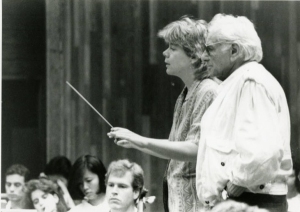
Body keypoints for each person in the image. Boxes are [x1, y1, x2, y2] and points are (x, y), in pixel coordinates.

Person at [107, 16, 219, 212]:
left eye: (173, 48)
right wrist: (134, 142)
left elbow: (196, 149)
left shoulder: (208, 91)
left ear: (193, 55)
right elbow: (174, 148)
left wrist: (139, 139)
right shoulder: (185, 94)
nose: (164, 53)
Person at [196, 13, 292, 212]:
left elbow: (262, 154)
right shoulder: (237, 84)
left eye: (210, 49)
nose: (204, 57)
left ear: (234, 50)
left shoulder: (251, 83)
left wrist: (231, 189)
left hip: (249, 202)